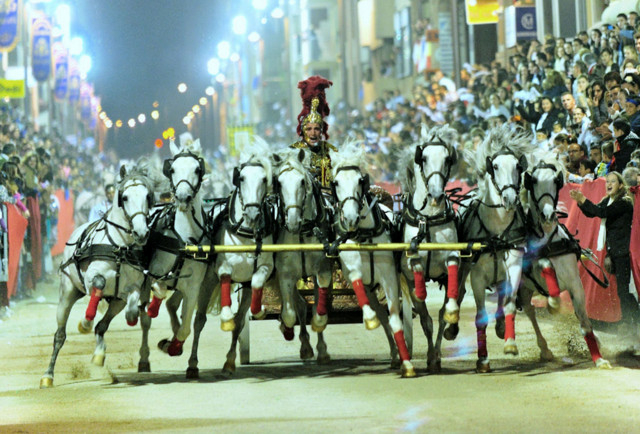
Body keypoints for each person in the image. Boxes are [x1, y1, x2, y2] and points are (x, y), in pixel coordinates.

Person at [570, 172, 640, 336]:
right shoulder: (609, 201)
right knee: (622, 291)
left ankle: (634, 323)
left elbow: (601, 213)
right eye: (607, 181)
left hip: (624, 253)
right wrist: (581, 203)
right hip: (615, 252)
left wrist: (582, 200)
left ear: (621, 185)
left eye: (613, 182)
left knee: (624, 291)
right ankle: (630, 323)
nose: (608, 184)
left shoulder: (623, 202)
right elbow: (593, 212)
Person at [290, 75, 335, 188]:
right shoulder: (293, 152)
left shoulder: (331, 152)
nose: (313, 133)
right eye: (309, 129)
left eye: (316, 129)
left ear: (321, 131)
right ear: (303, 130)